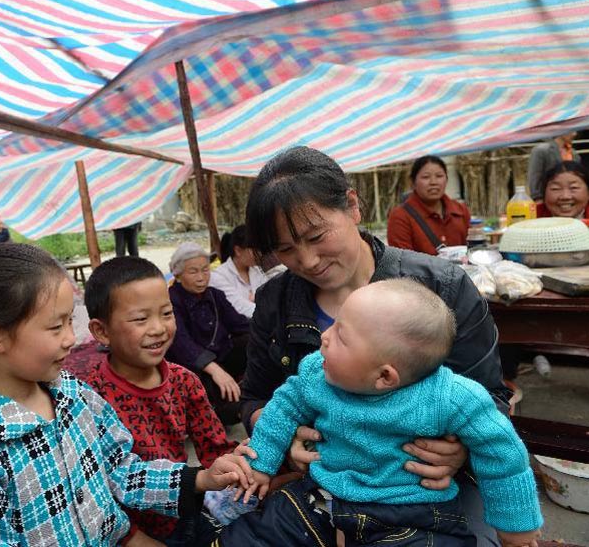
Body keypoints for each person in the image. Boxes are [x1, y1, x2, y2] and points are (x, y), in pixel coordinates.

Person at [240, 146, 510, 547]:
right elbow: (253, 397)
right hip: (325, 485)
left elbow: (493, 399)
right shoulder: (275, 301)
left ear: (352, 206)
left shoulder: (442, 287)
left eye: (316, 236)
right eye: (285, 249)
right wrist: (278, 430)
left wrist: (460, 453)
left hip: (428, 489)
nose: (308, 260)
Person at [0, 243, 255, 546]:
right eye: (56, 327)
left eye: (70, 321)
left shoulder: (74, 395)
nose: (71, 339)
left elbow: (121, 469)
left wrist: (200, 479)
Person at [225, 279, 541, 547]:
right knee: (248, 535)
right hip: (322, 497)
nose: (324, 336)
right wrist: (261, 463)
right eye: (334, 323)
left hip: (414, 511)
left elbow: (501, 452)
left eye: (341, 336)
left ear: (384, 376)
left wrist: (516, 527)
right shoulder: (315, 374)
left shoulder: (451, 398)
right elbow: (282, 408)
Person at [84, 257, 237, 546]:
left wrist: (253, 465)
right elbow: (95, 486)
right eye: (141, 319)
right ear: (102, 331)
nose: (158, 328)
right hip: (122, 533)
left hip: (183, 515)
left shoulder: (184, 381)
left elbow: (215, 449)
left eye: (166, 313)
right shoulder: (90, 395)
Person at [167, 242, 250, 426]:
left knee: (253, 340)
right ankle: (222, 411)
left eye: (205, 270)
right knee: (205, 385)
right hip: (192, 366)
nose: (201, 277)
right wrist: (215, 370)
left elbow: (240, 324)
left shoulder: (215, 295)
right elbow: (181, 343)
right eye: (193, 271)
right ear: (178, 275)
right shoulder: (172, 300)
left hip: (221, 357)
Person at [387, 155, 470, 255]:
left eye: (439, 176)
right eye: (426, 177)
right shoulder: (400, 217)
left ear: (446, 179)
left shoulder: (460, 211)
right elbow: (401, 261)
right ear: (412, 182)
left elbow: (471, 250)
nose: (433, 182)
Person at [209, 225, 269, 318]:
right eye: (255, 250)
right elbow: (238, 306)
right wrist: (269, 312)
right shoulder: (218, 276)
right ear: (238, 251)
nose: (260, 254)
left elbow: (271, 297)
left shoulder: (257, 271)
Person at [527, 132, 577, 201]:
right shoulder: (542, 150)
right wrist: (537, 197)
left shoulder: (573, 153)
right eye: (572, 130)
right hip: (548, 198)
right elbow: (535, 176)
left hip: (570, 197)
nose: (574, 134)